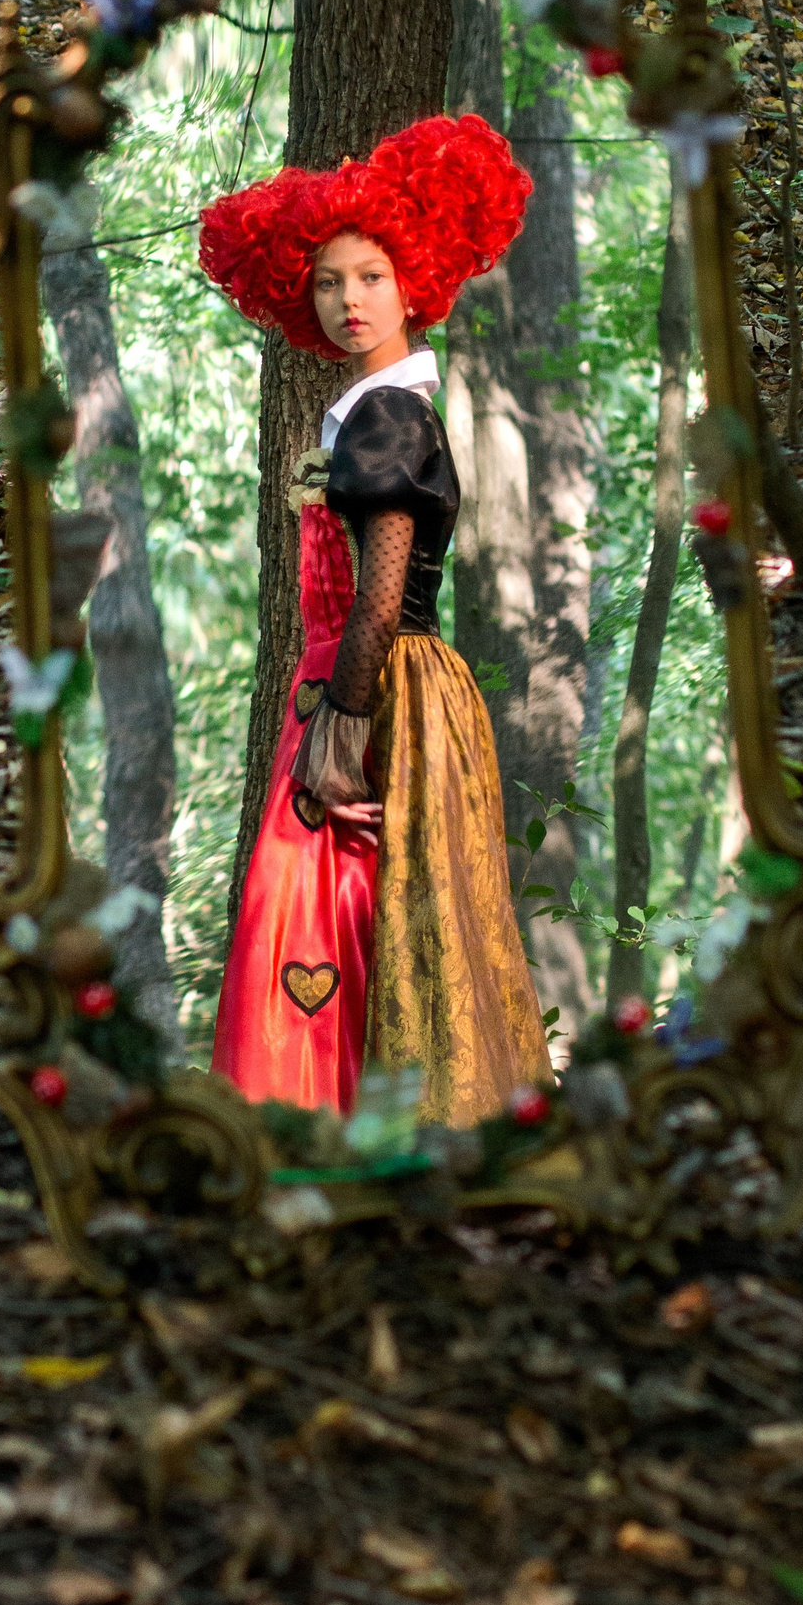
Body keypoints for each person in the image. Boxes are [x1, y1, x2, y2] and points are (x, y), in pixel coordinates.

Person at [198, 113, 552, 1126]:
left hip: (379, 686)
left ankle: (329, 1129)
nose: (350, 301)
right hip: (375, 679)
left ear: (412, 284)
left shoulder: (389, 413)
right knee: (381, 922)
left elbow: (381, 596)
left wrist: (341, 735)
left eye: (371, 277)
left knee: (329, 907)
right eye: (327, 282)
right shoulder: (369, 409)